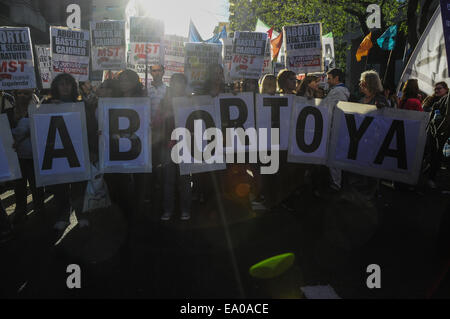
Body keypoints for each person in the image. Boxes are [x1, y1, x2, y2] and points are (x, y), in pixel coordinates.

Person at [43, 73, 87, 232]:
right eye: (61, 84)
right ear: (55, 87)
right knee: (60, 187)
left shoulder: (82, 104)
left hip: (77, 152)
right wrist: (47, 108)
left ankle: (81, 215)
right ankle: (63, 216)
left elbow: (89, 127)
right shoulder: (47, 103)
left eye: (68, 84)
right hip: (57, 153)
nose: (65, 87)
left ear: (73, 87)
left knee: (78, 187)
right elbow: (39, 126)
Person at [160, 73, 192, 220]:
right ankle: (168, 210)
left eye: (181, 82)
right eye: (175, 82)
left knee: (185, 179)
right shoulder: (164, 101)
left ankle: (185, 209)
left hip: (185, 145)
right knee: (168, 180)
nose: (178, 85)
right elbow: (156, 122)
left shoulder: (191, 101)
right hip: (168, 145)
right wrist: (165, 116)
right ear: (171, 84)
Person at [10, 89, 45, 225]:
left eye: (25, 93)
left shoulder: (37, 110)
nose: (22, 96)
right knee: (19, 187)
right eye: (19, 93)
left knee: (36, 186)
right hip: (16, 157)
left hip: (33, 156)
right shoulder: (8, 113)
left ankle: (39, 210)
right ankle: (20, 212)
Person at [322, 68, 350, 192]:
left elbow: (326, 108)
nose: (327, 81)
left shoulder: (338, 91)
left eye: (329, 78)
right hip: (335, 128)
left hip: (334, 128)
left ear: (336, 78)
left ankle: (335, 183)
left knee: (333, 156)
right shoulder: (337, 90)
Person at [426, 91, 450, 189]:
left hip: (439, 130)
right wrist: (440, 131)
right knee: (436, 154)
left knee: (435, 154)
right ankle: (431, 178)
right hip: (440, 131)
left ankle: (430, 175)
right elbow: (447, 116)